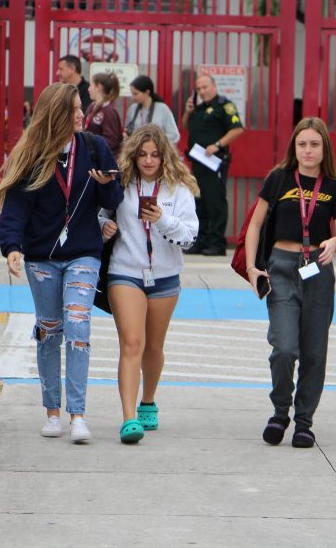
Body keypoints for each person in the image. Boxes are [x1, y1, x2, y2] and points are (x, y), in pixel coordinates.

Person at [0, 82, 124, 443]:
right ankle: (52, 412)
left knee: (78, 325)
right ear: (56, 115)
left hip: (83, 253)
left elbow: (116, 194)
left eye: (82, 107)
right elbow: (16, 207)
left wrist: (107, 184)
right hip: (41, 259)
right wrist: (12, 247)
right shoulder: (33, 155)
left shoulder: (95, 148)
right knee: (49, 330)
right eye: (75, 109)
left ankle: (77, 415)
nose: (82, 114)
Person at [244, 117, 336, 448]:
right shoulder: (278, 178)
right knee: (285, 348)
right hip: (281, 267)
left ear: (324, 149)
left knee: (315, 352)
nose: (308, 150)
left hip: (318, 268)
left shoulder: (335, 186)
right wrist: (252, 267)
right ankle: (279, 412)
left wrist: (335, 242)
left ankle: (304, 421)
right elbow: (255, 224)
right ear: (294, 147)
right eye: (302, 144)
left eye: (314, 144)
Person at [101, 124, 199, 444]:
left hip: (165, 277)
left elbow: (189, 236)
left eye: (155, 155)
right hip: (125, 273)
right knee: (132, 343)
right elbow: (97, 213)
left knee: (153, 348)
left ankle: (148, 401)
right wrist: (104, 225)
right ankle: (129, 419)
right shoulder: (122, 184)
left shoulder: (178, 189)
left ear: (164, 156)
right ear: (133, 154)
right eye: (142, 154)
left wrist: (163, 220)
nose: (148, 160)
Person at [181, 74, 244, 256]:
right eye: (199, 89)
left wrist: (217, 145)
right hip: (198, 162)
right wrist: (188, 111)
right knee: (198, 202)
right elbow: (186, 126)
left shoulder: (225, 105)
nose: (202, 91)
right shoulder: (198, 108)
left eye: (205, 87)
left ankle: (217, 243)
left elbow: (237, 129)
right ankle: (200, 241)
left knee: (215, 202)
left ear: (214, 86)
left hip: (214, 162)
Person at [124, 75, 180, 146]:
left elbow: (174, 135)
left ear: (147, 92)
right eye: (131, 93)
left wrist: (154, 140)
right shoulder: (132, 109)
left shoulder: (162, 108)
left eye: (135, 94)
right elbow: (127, 131)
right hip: (137, 153)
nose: (132, 97)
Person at [85, 71, 123, 157]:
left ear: (99, 87)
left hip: (103, 159)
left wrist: (92, 145)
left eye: (91, 85)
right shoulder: (91, 106)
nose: (88, 89)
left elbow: (112, 141)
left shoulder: (109, 112)